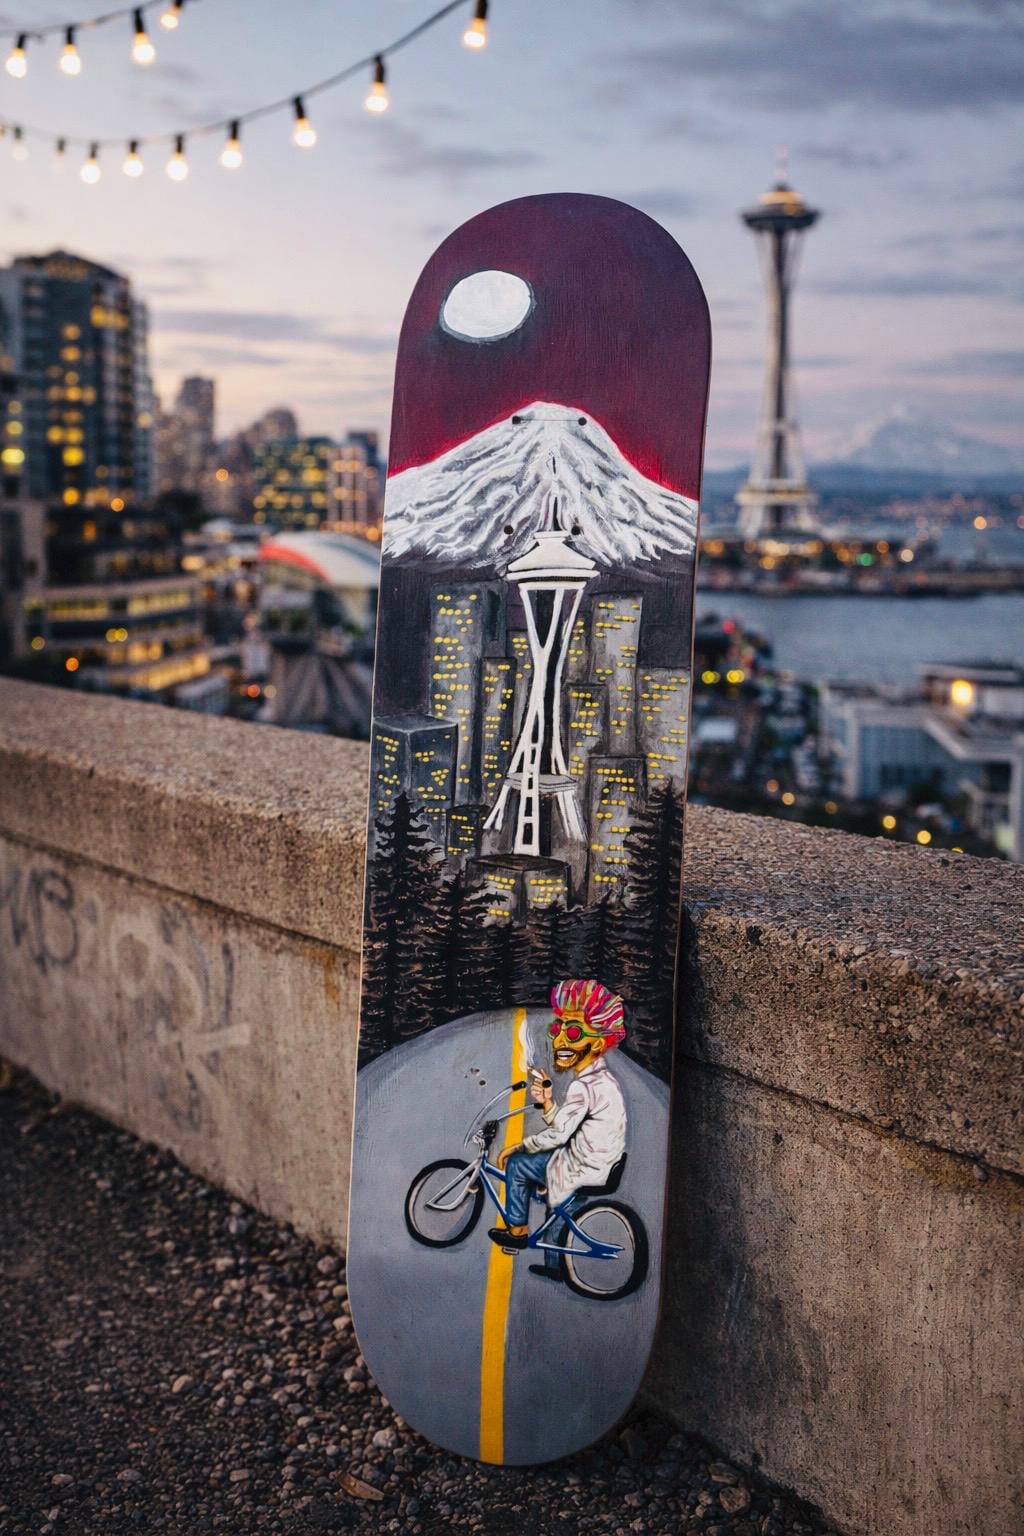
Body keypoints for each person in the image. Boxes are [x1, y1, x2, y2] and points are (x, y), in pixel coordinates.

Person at [490, 978, 627, 1281]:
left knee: (518, 1165)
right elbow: (567, 1125)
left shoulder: (584, 1086)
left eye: (574, 1032)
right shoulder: (603, 1081)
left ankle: (516, 1231)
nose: (561, 1040)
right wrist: (549, 1103)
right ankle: (555, 1266)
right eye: (558, 1029)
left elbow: (560, 1134)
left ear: (598, 1043)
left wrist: (521, 1146)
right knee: (556, 1200)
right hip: (599, 1162)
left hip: (583, 1166)